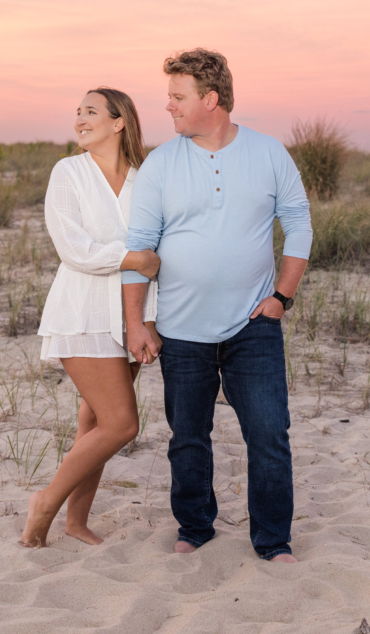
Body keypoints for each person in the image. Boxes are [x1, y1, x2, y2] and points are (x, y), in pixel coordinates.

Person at [121, 49, 311, 563]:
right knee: (188, 438)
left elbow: (298, 223)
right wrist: (135, 322)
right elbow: (140, 248)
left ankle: (273, 540)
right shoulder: (161, 163)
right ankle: (194, 527)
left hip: (254, 326)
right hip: (181, 331)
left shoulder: (269, 153)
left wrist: (281, 297)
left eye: (177, 97)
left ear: (210, 99)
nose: (169, 107)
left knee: (269, 434)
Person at [22, 87, 160, 548]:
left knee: (95, 424)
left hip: (131, 316)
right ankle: (45, 502)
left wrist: (148, 319)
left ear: (119, 122)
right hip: (82, 310)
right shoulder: (69, 172)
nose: (79, 119)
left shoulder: (146, 178)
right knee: (122, 424)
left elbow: (159, 249)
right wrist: (134, 259)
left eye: (91, 111)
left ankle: (75, 521)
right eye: (77, 112)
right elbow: (74, 249)